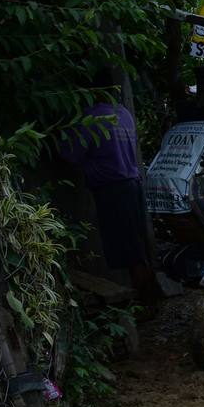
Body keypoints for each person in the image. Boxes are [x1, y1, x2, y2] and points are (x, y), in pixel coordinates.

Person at [60, 97, 162, 308]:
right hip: (131, 185)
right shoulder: (123, 113)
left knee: (129, 251)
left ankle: (147, 302)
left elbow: (70, 154)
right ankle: (149, 298)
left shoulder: (91, 117)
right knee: (136, 246)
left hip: (113, 190)